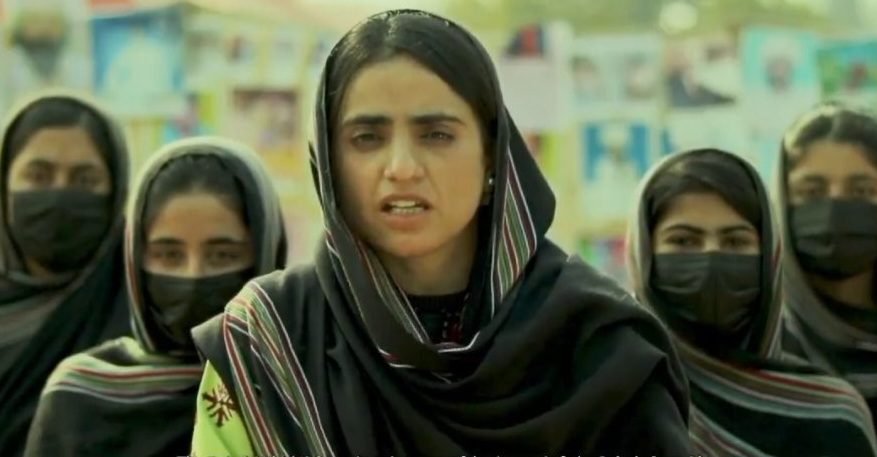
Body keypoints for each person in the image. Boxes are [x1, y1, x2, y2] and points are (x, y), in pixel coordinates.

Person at [191, 9, 691, 457]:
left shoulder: (603, 345)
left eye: (436, 134)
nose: (402, 167)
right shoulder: (268, 343)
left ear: (492, 157)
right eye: (367, 138)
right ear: (328, 162)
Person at [22, 137, 287, 456]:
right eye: (169, 255)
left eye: (222, 256)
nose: (193, 275)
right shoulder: (79, 396)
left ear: (264, 255)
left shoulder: (298, 387)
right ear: (135, 261)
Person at [628, 147, 877, 456]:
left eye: (735, 241)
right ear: (644, 255)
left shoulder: (833, 417)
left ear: (769, 258)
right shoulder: (615, 398)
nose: (711, 256)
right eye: (683, 241)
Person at [0, 92, 130, 455]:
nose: (59, 194)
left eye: (84, 180)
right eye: (38, 175)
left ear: (116, 191)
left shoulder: (144, 312)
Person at [779, 103, 877, 422]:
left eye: (861, 190)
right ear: (782, 200)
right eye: (812, 191)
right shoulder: (761, 339)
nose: (835, 207)